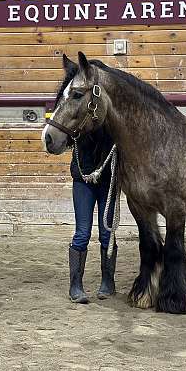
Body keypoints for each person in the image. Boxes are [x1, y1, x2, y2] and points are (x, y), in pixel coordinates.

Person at [68, 128, 117, 304]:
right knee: (82, 233)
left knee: (107, 233)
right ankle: (75, 285)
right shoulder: (80, 118)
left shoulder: (109, 118)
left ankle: (108, 281)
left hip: (107, 178)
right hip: (83, 178)